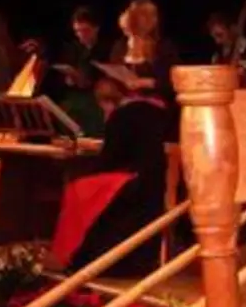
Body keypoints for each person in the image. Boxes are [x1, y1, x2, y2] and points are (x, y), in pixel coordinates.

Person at [47, 99, 170, 277]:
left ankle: (70, 256)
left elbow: (111, 158)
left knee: (80, 188)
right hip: (147, 179)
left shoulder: (128, 114)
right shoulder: (152, 112)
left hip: (131, 178)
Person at [206, 12, 246, 87]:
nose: (217, 41)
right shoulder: (217, 57)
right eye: (214, 37)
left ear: (233, 29)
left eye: (220, 35)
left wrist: (244, 68)